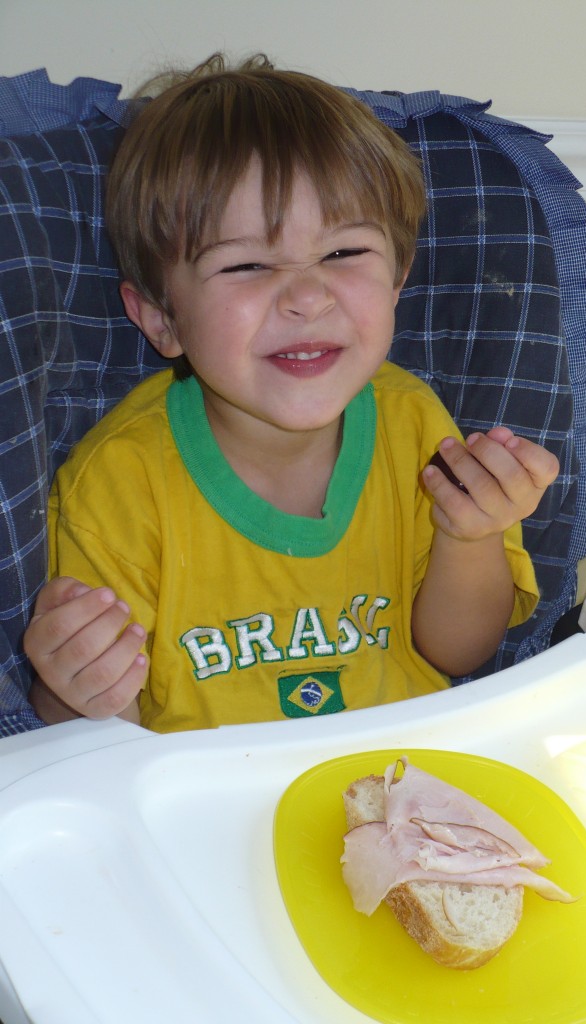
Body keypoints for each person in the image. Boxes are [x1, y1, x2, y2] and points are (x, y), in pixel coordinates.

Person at [24, 55, 558, 733]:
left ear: (397, 281)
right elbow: (105, 737)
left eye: (344, 254)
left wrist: (470, 534)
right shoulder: (118, 484)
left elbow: (458, 653)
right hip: (211, 806)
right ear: (161, 317)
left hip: (406, 776)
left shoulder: (415, 423)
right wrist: (74, 686)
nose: (308, 297)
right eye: (246, 264)